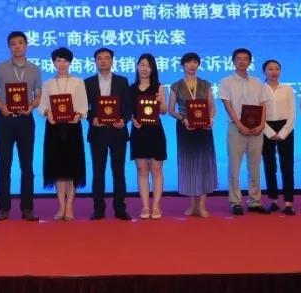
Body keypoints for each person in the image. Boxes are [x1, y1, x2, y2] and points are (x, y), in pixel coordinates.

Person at [0, 31, 43, 221]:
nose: (17, 46)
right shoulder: (0, 68)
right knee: (4, 164)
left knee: (27, 165)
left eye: (21, 43)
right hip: (5, 119)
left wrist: (32, 106)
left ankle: (27, 208)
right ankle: (3, 208)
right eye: (13, 44)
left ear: (26, 45)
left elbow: (38, 95)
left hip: (25, 120)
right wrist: (2, 107)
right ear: (9, 47)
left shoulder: (34, 69)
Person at [219, 48, 271, 216]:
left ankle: (255, 201)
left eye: (245, 58)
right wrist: (239, 124)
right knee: (234, 167)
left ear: (250, 61)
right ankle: (235, 202)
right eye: (238, 59)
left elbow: (263, 104)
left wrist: (262, 124)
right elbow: (227, 105)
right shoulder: (226, 81)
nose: (242, 61)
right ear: (233, 61)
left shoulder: (258, 82)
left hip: (256, 129)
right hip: (236, 128)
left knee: (254, 166)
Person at [40, 47, 88, 221]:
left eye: (65, 61)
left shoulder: (78, 82)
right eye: (58, 60)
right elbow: (43, 106)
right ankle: (61, 206)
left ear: (70, 63)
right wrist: (48, 113)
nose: (61, 64)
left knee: (72, 167)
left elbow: (83, 105)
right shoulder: (48, 83)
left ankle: (70, 206)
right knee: (58, 168)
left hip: (72, 127)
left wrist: (78, 115)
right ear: (53, 62)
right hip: (54, 128)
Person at [84, 47, 131, 221]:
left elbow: (128, 106)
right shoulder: (88, 82)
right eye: (99, 58)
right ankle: (98, 209)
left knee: (119, 172)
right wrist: (92, 118)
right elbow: (84, 107)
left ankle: (120, 208)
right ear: (95, 61)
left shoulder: (122, 81)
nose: (103, 61)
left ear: (112, 61)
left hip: (118, 132)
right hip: (98, 132)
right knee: (98, 172)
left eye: (106, 58)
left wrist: (124, 120)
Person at [169, 52, 217, 218]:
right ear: (183, 65)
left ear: (198, 65)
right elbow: (171, 110)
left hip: (204, 128)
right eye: (189, 62)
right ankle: (192, 204)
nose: (192, 65)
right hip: (185, 128)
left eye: (195, 62)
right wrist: (183, 119)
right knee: (188, 164)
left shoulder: (205, 84)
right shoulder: (175, 86)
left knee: (204, 164)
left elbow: (212, 106)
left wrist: (211, 119)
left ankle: (202, 205)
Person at [129, 53, 168, 220]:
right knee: (142, 169)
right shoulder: (131, 88)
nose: (145, 68)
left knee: (157, 169)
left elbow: (164, 111)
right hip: (138, 132)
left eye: (148, 66)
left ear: (153, 69)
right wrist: (133, 120)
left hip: (155, 132)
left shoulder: (159, 87)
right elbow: (129, 112)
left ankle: (156, 205)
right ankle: (145, 206)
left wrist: (161, 101)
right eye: (142, 65)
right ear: (137, 66)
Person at [261, 59, 296, 215]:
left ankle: (288, 202)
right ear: (264, 71)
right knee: (270, 166)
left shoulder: (287, 89)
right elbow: (257, 112)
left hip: (285, 127)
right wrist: (269, 132)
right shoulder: (260, 89)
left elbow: (292, 113)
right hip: (265, 127)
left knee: (287, 166)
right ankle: (273, 200)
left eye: (277, 69)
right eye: (270, 69)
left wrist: (283, 133)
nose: (274, 72)